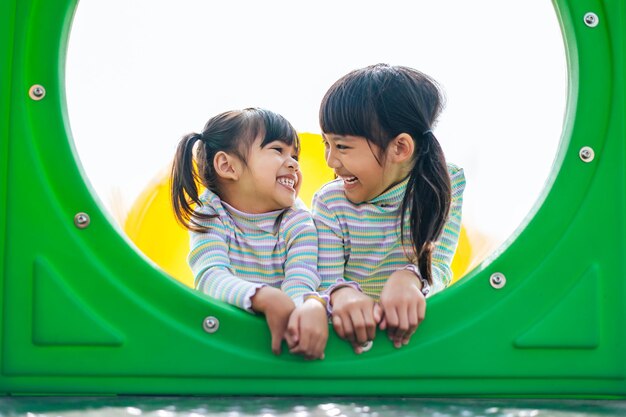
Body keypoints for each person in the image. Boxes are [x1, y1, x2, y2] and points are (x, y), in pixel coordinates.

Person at [312, 64, 466, 354]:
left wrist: (409, 279)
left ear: (400, 148)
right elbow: (325, 279)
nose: (331, 161)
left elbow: (440, 268)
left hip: (416, 343)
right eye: (327, 144)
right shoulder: (331, 203)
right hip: (351, 343)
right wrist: (343, 296)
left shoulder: (445, 184)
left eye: (342, 147)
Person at [171, 108, 328, 360]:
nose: (294, 163)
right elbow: (210, 278)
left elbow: (302, 281)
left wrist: (300, 315)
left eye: (294, 155)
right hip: (223, 342)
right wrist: (261, 296)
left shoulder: (298, 221)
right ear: (227, 166)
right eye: (278, 150)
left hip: (277, 346)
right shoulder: (211, 214)